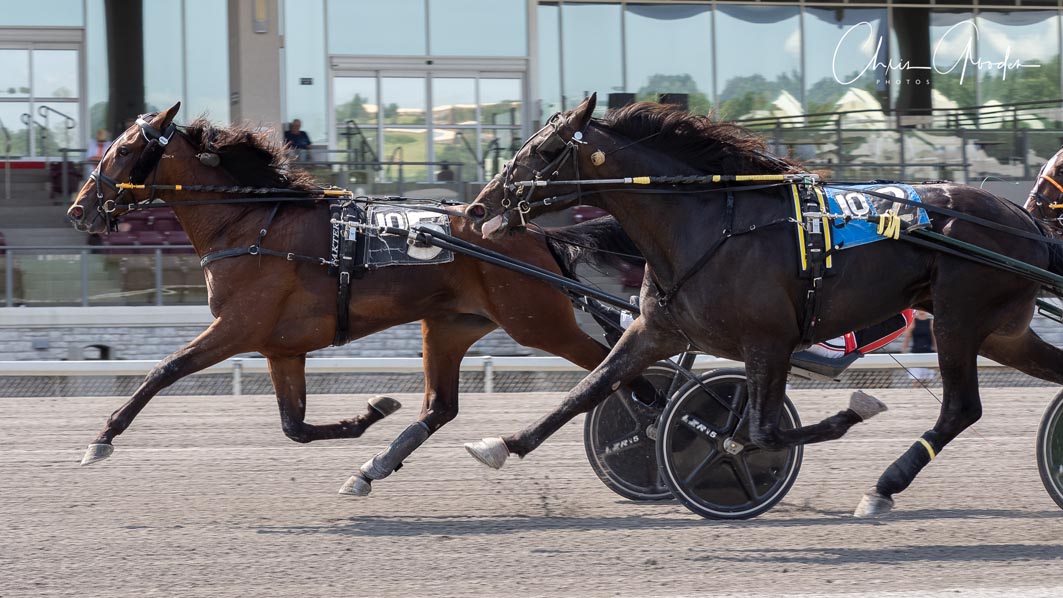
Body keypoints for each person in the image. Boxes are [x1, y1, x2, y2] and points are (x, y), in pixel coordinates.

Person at [901, 309, 936, 386]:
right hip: (915, 353)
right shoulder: (913, 322)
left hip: (928, 354)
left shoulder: (931, 322)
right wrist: (903, 352)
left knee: (927, 382)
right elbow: (907, 338)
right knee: (915, 382)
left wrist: (937, 353)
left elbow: (934, 340)